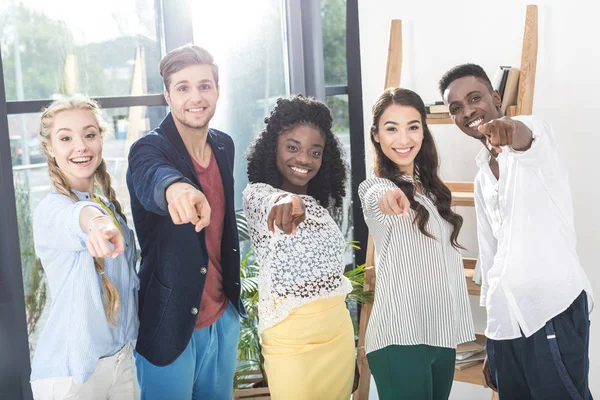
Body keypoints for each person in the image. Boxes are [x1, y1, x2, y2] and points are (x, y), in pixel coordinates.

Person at [439, 63, 594, 399]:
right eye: (456, 109)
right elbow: (493, 259)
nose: (468, 112)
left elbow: (525, 135)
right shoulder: (482, 177)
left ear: (495, 97)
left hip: (551, 309)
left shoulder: (535, 139)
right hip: (507, 323)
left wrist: (510, 128)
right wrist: (495, 340)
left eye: (475, 98)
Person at [126, 44, 243, 400]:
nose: (196, 97)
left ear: (218, 91)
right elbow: (152, 176)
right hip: (171, 322)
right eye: (183, 87)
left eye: (205, 86)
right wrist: (175, 189)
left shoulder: (224, 145)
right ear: (167, 95)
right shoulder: (149, 149)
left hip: (223, 316)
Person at [358, 88, 475, 400]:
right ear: (376, 136)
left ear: (424, 130)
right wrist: (386, 196)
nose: (403, 139)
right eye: (391, 128)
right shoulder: (377, 186)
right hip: (400, 339)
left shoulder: (433, 192)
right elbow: (374, 195)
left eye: (412, 126)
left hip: (441, 335)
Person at [242, 95, 354, 399]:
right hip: (289, 340)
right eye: (292, 147)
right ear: (273, 148)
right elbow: (268, 201)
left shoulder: (319, 206)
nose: (304, 159)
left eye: (314, 151)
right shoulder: (257, 196)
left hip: (337, 332)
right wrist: (284, 200)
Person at [30, 96, 139, 399]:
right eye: (65, 138)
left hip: (119, 359)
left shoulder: (105, 205)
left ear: (100, 139)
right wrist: (96, 225)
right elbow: (78, 218)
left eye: (89, 135)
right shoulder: (51, 211)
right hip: (70, 376)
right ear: (50, 148)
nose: (81, 146)